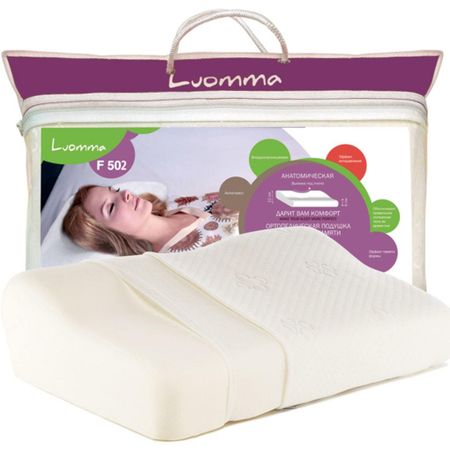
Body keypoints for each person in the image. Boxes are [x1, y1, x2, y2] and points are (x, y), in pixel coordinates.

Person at [62, 185, 239, 255]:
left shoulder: (178, 203)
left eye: (115, 191)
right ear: (110, 235)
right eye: (111, 207)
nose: (125, 194)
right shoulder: (178, 258)